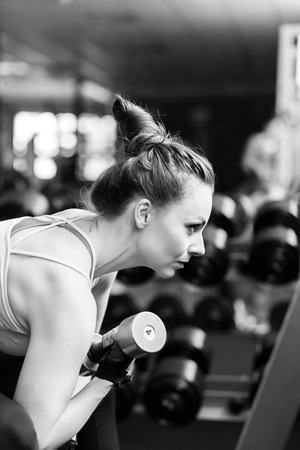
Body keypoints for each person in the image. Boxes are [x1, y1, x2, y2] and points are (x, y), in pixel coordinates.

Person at [0, 94, 215, 450]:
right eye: (192, 227)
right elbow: (37, 439)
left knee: (89, 393)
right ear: (143, 214)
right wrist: (108, 376)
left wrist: (102, 360)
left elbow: (78, 360)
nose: (201, 247)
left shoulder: (92, 246)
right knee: (19, 431)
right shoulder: (68, 290)